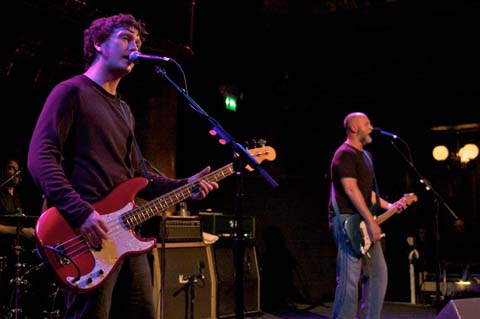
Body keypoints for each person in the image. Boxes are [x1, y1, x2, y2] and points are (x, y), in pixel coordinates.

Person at [27, 13, 219, 319]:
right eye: (126, 38)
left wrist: (185, 185)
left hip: (125, 233)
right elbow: (40, 158)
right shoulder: (71, 92)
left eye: (139, 41)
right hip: (85, 232)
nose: (135, 46)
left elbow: (138, 177)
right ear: (99, 44)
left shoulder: (124, 110)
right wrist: (82, 212)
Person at [327, 112, 406, 319]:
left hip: (364, 221)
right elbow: (351, 190)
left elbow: (367, 194)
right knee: (349, 281)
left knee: (378, 274)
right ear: (354, 128)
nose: (371, 127)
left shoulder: (366, 157)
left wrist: (391, 205)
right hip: (346, 221)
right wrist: (372, 222)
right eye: (367, 123)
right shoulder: (344, 154)